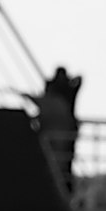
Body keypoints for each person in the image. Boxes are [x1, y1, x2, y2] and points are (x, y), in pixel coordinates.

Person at [36, 66, 84, 203]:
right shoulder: (68, 91)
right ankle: (65, 193)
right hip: (67, 129)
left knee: (58, 161)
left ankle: (62, 192)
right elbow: (79, 80)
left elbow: (80, 79)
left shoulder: (58, 91)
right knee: (64, 161)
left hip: (56, 130)